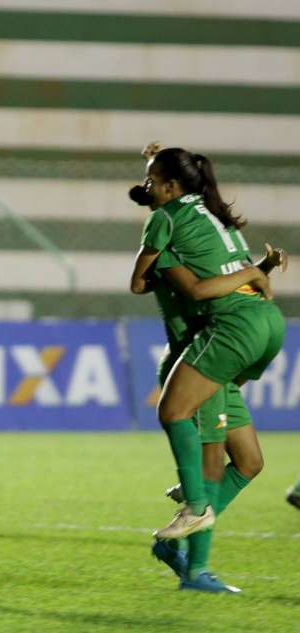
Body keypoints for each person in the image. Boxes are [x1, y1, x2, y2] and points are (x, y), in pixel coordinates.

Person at [129, 147, 286, 592]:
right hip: (204, 352)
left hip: (213, 350)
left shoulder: (178, 229)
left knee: (247, 462)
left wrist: (254, 271)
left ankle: (193, 521)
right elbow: (189, 287)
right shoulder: (189, 234)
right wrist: (254, 273)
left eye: (152, 179)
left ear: (168, 185)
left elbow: (184, 282)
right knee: (221, 462)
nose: (147, 187)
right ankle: (196, 566)